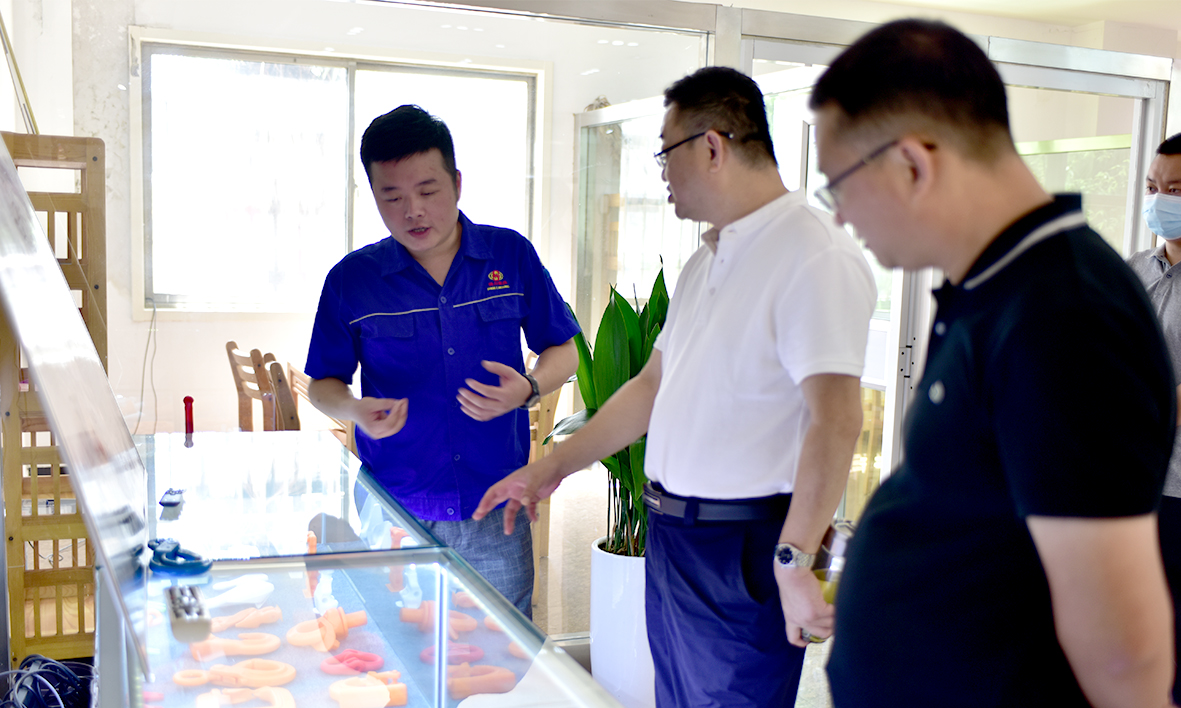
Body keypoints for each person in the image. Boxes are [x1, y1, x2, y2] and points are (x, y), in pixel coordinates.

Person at [476, 66, 876, 706]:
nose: (661, 173)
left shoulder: (812, 252)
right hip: (674, 540)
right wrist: (551, 467)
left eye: (666, 153)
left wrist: (796, 559)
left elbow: (837, 420)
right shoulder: (704, 262)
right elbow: (651, 386)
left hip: (741, 545)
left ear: (712, 146)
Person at [810, 19, 1176, 708]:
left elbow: (1123, 652)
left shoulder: (1063, 315)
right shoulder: (992, 287)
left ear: (912, 163)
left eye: (840, 186)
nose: (839, 217)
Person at [304, 105, 579, 618]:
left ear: (456, 183)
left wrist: (529, 387)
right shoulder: (351, 280)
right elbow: (323, 383)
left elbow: (566, 350)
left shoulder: (510, 255)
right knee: (399, 647)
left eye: (428, 191)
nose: (413, 211)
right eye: (392, 197)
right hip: (394, 509)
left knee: (500, 652)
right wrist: (355, 410)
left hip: (494, 505)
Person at [1127, 132, 1181, 705]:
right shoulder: (1134, 269)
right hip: (1128, 480)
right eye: (1152, 187)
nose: (1160, 200)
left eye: (1176, 190)